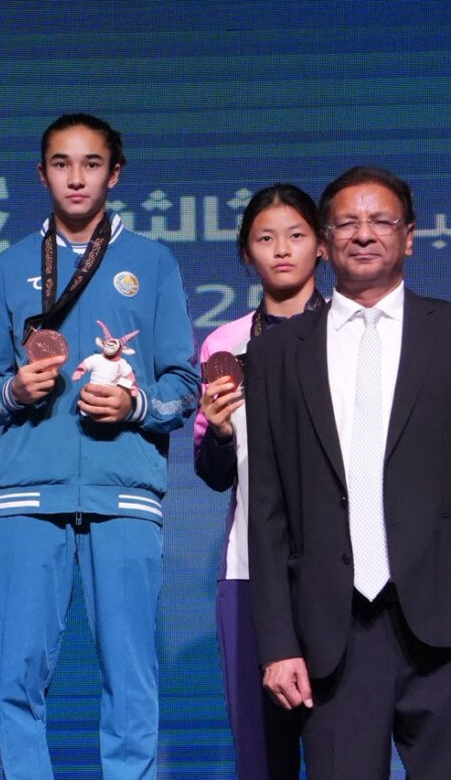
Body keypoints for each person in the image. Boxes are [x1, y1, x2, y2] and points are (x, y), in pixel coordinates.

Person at [0, 113, 198, 779]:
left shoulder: (152, 262)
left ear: (114, 173)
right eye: (61, 163)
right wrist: (15, 388)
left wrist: (134, 406)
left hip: (124, 492)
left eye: (91, 163)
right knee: (17, 680)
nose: (76, 177)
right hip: (26, 493)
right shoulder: (9, 266)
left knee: (131, 681)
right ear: (40, 173)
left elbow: (182, 383)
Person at [246, 166, 451, 778]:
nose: (364, 234)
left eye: (381, 221)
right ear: (326, 240)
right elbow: (268, 507)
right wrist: (279, 643)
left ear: (410, 237)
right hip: (332, 635)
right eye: (347, 223)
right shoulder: (277, 353)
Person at [193, 184, 324, 778]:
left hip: (342, 572)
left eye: (296, 235)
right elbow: (215, 473)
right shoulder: (224, 344)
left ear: (321, 246)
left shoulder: (353, 334)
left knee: (339, 746)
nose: (281, 250)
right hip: (248, 568)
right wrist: (219, 433)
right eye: (265, 238)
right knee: (261, 758)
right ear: (246, 253)